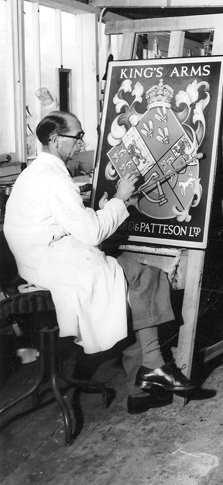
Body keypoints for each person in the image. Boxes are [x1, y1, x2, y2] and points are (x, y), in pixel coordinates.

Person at [4, 111, 201, 415]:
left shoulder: (37, 171)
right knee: (146, 276)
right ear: (56, 140)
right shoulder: (54, 178)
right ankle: (152, 370)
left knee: (136, 283)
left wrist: (110, 208)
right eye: (77, 136)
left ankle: (146, 379)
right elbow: (92, 233)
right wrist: (121, 199)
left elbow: (69, 222)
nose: (81, 142)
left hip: (36, 263)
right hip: (58, 268)